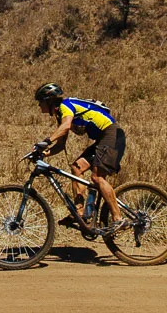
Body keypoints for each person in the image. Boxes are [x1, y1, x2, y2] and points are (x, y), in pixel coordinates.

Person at [33, 83, 129, 235]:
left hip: (112, 135)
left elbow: (65, 127)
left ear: (49, 101)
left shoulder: (66, 106)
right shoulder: (61, 114)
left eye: (40, 102)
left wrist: (47, 140)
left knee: (97, 177)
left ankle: (118, 219)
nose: (39, 105)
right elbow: (60, 145)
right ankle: (80, 212)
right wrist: (44, 153)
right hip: (102, 139)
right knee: (77, 167)